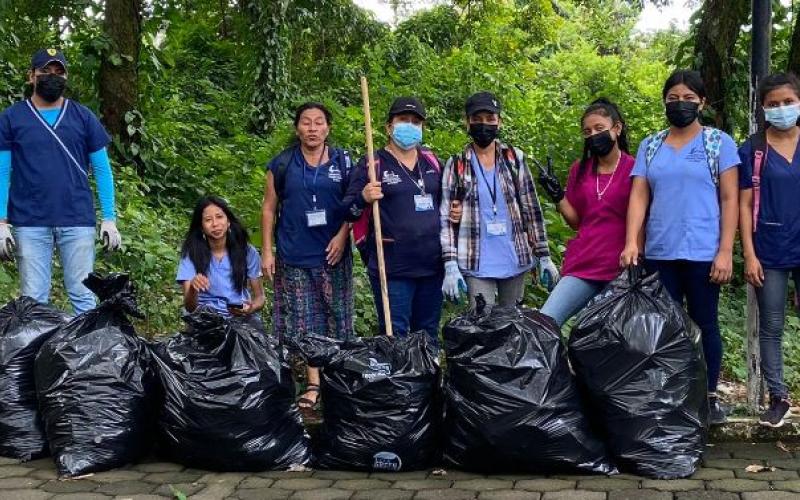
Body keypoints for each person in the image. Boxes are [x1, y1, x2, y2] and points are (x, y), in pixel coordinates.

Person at [620, 69, 740, 425]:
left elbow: (730, 199)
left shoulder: (718, 143)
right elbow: (639, 196)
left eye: (688, 98)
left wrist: (725, 251)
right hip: (660, 252)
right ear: (664, 102)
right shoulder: (651, 145)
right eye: (673, 98)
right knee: (664, 328)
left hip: (703, 252)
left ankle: (709, 396)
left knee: (705, 324)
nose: (680, 104)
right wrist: (631, 241)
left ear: (702, 102)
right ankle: (670, 397)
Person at [0, 48, 120, 315]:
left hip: (77, 218)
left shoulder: (83, 117)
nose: (52, 76)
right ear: (31, 76)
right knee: (33, 301)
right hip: (29, 221)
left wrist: (109, 218)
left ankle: (86, 344)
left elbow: (102, 169)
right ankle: (36, 344)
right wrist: (1, 221)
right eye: (45, 71)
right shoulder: (12, 118)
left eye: (58, 72)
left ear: (66, 77)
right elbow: (2, 171)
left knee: (84, 296)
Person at [261, 102, 353, 411]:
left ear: (328, 128)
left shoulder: (344, 162)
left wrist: (342, 236)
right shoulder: (282, 164)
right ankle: (313, 383)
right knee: (308, 323)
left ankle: (337, 379)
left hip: (333, 254)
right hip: (295, 254)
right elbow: (269, 208)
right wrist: (267, 250)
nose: (312, 128)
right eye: (306, 122)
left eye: (318, 122)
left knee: (338, 318)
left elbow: (354, 205)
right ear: (297, 128)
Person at [440, 91, 558, 309]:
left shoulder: (514, 159)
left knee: (512, 321)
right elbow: (446, 219)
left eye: (490, 118)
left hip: (515, 256)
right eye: (477, 119)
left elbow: (531, 208)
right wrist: (450, 263)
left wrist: (543, 255)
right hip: (475, 259)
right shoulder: (457, 165)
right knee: (481, 321)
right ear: (467, 122)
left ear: (499, 121)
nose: (484, 124)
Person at [343, 97, 443, 345]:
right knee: (394, 337)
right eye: (403, 120)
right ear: (389, 127)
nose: (410, 125)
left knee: (428, 335)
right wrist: (363, 197)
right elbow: (347, 211)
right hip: (392, 267)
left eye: (416, 122)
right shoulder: (372, 163)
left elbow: (447, 203)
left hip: (432, 265)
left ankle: (427, 371)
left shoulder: (432, 161)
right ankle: (398, 372)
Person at [537, 98, 634, 326]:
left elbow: (642, 219)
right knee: (545, 322)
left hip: (621, 268)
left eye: (599, 128)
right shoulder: (579, 170)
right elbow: (576, 221)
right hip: (584, 264)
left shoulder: (634, 168)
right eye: (587, 132)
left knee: (608, 335)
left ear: (617, 128)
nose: (593, 135)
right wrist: (558, 196)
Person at [738, 72, 800, 427]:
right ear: (763, 108)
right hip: (770, 249)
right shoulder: (753, 149)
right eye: (773, 104)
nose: (782, 109)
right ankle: (779, 397)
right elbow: (744, 205)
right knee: (772, 326)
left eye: (788, 102)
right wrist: (749, 254)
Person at [177, 196, 264, 325]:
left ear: (228, 221)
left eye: (219, 217)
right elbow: (190, 307)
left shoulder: (247, 252)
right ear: (201, 227)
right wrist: (193, 289)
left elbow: (260, 298)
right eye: (208, 220)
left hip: (238, 318)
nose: (215, 224)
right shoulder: (191, 254)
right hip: (205, 319)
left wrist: (250, 308)